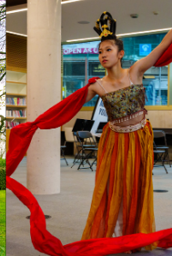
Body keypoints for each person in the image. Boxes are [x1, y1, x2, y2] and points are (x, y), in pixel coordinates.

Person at [77, 12, 172, 252]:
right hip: (115, 141)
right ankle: (110, 236)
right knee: (113, 188)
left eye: (107, 50)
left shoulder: (135, 72)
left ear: (120, 54)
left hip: (140, 137)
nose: (102, 55)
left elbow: (162, 46)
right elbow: (69, 107)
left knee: (138, 186)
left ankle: (136, 237)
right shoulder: (97, 86)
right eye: (99, 52)